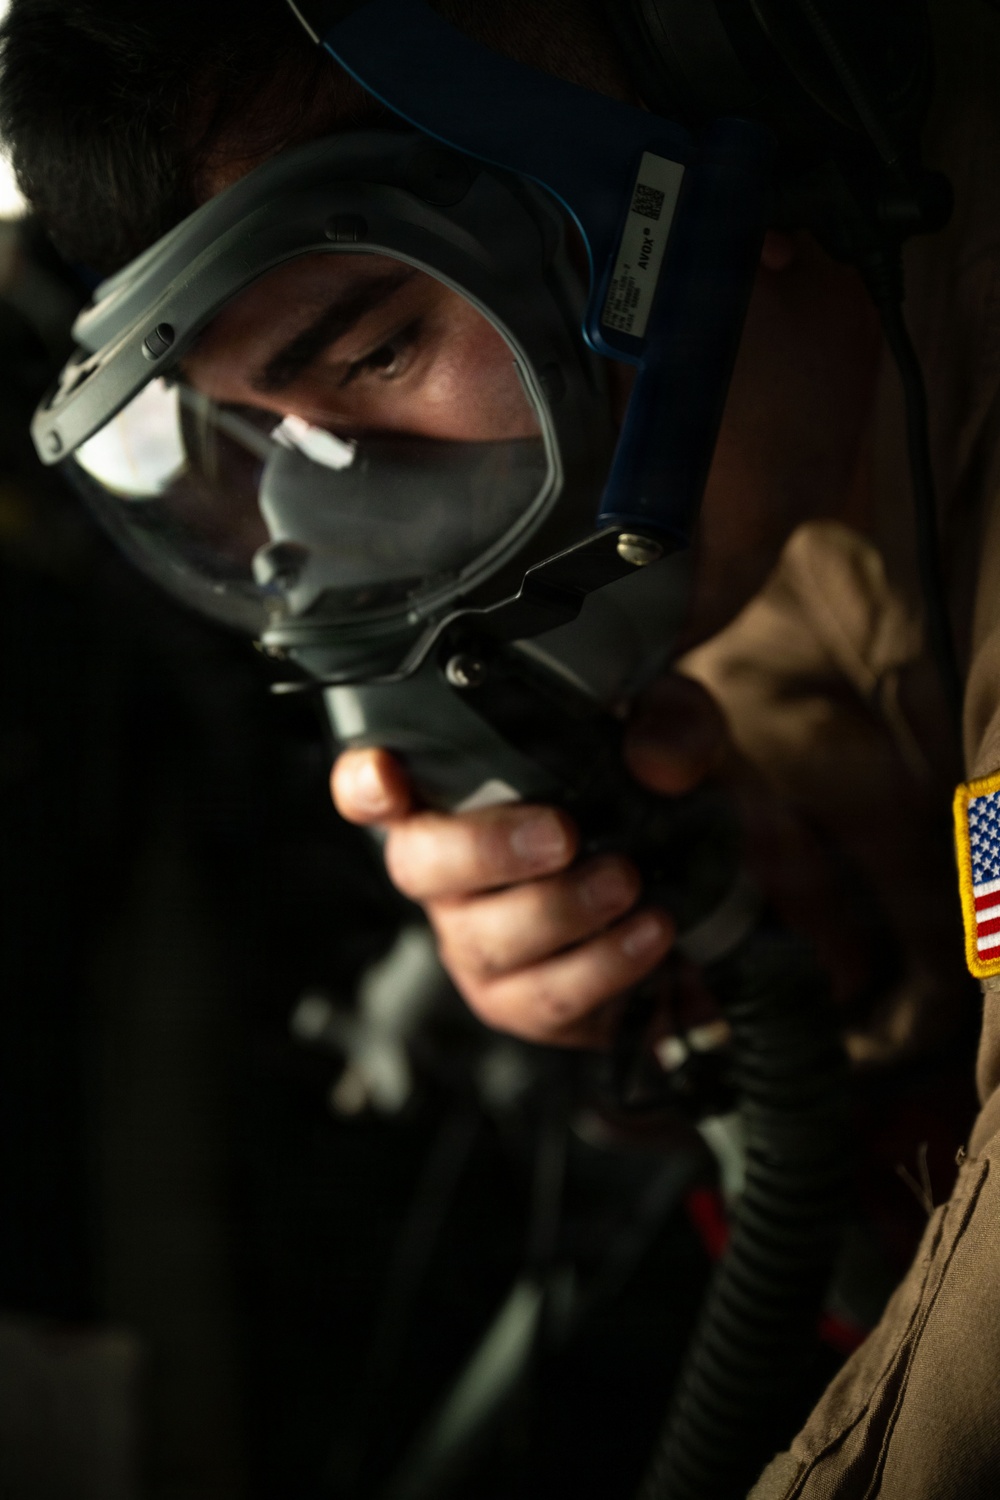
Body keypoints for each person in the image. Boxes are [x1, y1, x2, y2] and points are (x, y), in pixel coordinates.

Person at [3, 0, 1000, 1494]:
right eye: (278, 436)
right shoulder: (789, 507)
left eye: (377, 348)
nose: (326, 514)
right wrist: (759, 953)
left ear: (735, 85)